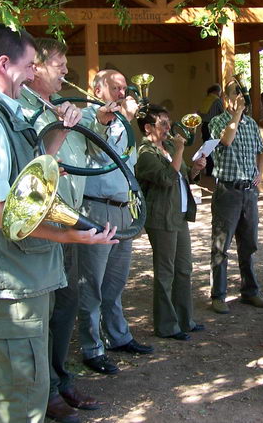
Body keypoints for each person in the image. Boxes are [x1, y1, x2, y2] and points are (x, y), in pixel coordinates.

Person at [0, 24, 117, 423]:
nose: (32, 74)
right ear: (4, 64)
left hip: (25, 274)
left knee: (32, 386)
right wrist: (68, 234)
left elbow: (35, 172)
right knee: (21, 396)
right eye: (28, 66)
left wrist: (62, 127)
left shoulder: (4, 112)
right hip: (11, 279)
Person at [19, 38, 101, 423]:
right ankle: (46, 391)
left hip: (70, 221)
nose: (67, 72)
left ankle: (59, 378)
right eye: (61, 65)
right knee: (45, 310)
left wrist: (92, 121)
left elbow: (96, 155)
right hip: (43, 227)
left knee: (66, 306)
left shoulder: (64, 107)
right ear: (35, 67)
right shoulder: (21, 109)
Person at [78, 69, 153, 375]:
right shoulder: (86, 117)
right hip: (98, 210)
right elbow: (100, 149)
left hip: (123, 210)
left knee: (116, 282)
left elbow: (127, 161)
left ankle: (118, 336)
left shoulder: (124, 122)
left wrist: (127, 120)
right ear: (98, 89)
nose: (123, 93)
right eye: (116, 87)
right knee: (92, 284)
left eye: (124, 88)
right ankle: (92, 347)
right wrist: (111, 120)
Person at [135, 105, 207, 340]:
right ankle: (167, 326)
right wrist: (179, 150)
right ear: (148, 128)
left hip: (179, 215)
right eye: (163, 124)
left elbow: (183, 175)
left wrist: (196, 168)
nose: (169, 128)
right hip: (161, 217)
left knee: (184, 269)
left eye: (168, 122)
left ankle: (185, 320)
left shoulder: (166, 148)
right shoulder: (145, 153)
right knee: (165, 273)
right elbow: (167, 179)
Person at [208, 79, 263, 314]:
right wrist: (237, 114)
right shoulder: (218, 122)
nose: (241, 98)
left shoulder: (252, 124)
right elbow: (226, 140)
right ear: (226, 98)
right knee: (221, 245)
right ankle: (218, 295)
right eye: (236, 94)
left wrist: (260, 173)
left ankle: (250, 291)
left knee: (249, 243)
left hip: (248, 192)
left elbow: (261, 152)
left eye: (243, 94)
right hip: (227, 191)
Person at [198, 83, 224, 176]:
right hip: (213, 126)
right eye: (220, 92)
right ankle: (214, 171)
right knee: (214, 148)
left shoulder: (206, 100)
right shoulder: (217, 100)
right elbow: (223, 113)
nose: (220, 94)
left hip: (204, 126)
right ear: (216, 91)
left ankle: (208, 170)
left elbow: (199, 113)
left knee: (206, 148)